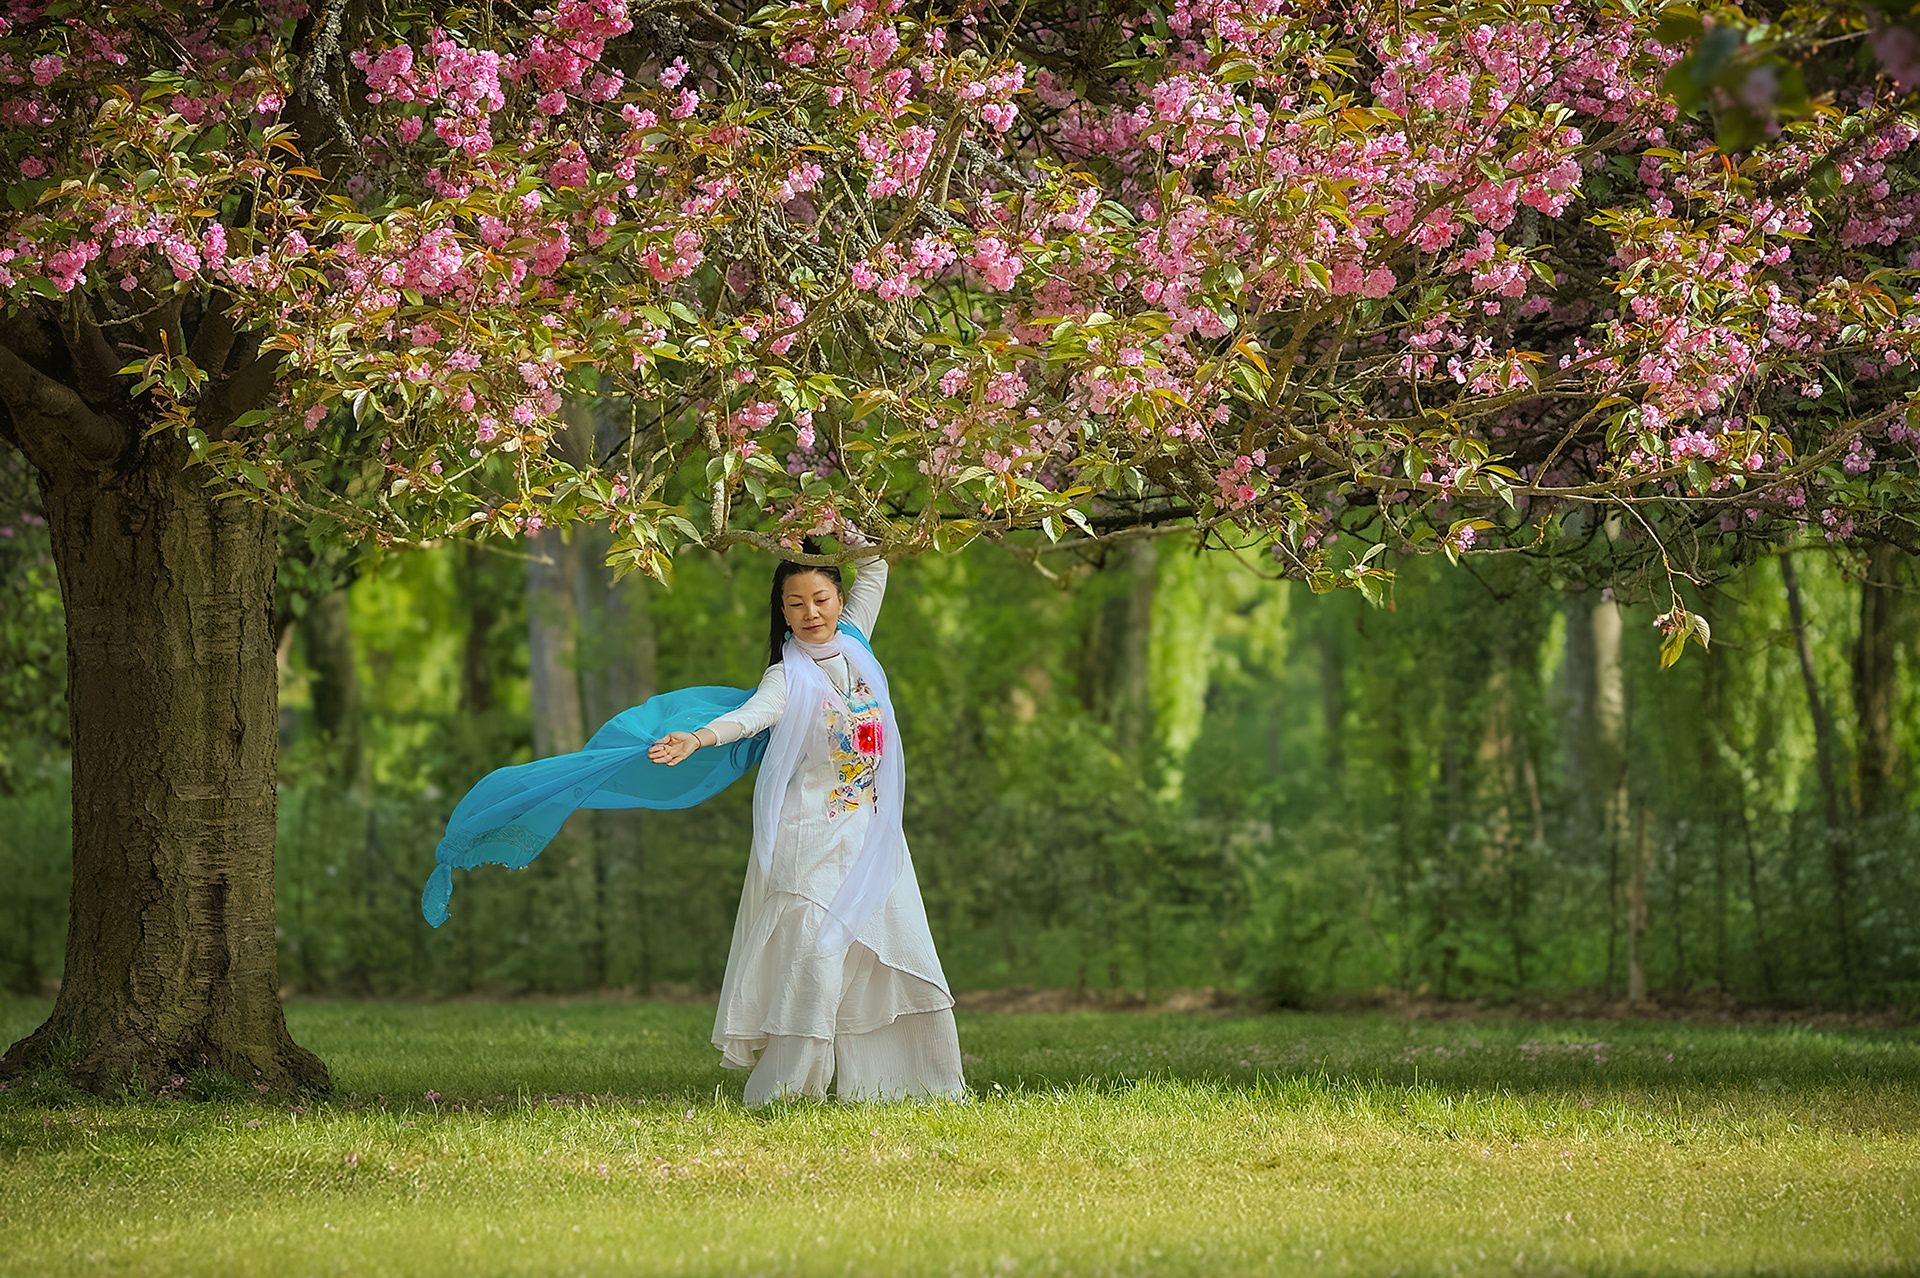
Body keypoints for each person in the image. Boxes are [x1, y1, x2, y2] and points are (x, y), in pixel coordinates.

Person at [644, 544, 966, 1106]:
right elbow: (753, 717)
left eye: (821, 598)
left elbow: (876, 564)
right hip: (810, 837)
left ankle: (909, 1086)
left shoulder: (857, 645)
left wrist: (832, 524)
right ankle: (790, 1092)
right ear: (784, 613)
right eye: (796, 604)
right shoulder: (785, 676)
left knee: (891, 955)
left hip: (871, 838)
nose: (811, 612)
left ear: (841, 600)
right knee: (815, 961)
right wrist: (698, 737)